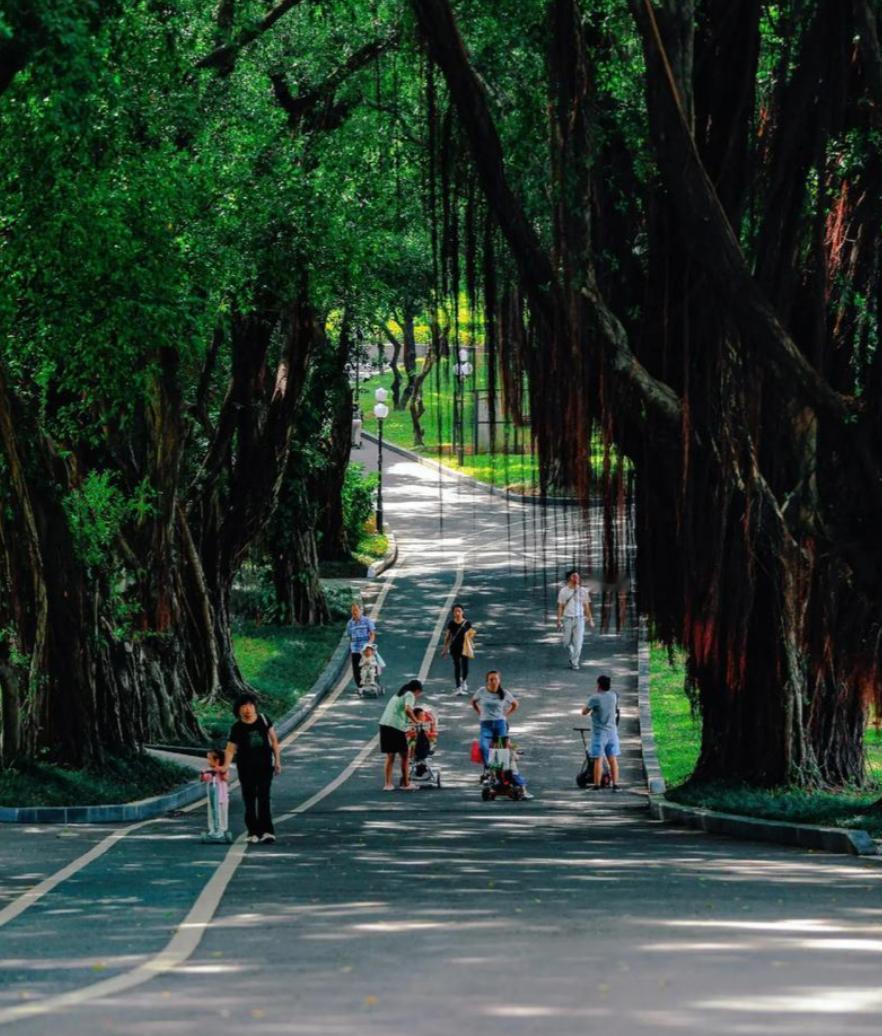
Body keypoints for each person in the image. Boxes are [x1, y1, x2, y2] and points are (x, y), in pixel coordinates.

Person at [222, 692, 282, 843]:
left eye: (250, 705)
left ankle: (267, 831)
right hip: (246, 768)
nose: (247, 709)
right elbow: (230, 749)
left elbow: (274, 741)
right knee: (249, 799)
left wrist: (277, 761)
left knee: (264, 797)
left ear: (255, 707)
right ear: (238, 710)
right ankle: (253, 832)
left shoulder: (263, 719)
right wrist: (225, 767)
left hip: (265, 766)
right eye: (244, 706)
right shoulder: (236, 728)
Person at [471, 670, 518, 775]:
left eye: (495, 679)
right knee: (483, 746)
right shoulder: (481, 691)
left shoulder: (504, 693)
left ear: (499, 680)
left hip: (499, 724)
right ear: (487, 681)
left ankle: (498, 772)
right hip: (486, 724)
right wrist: (480, 712)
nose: (493, 681)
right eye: (490, 679)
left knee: (500, 748)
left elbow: (515, 704)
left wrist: (506, 715)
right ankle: (488, 768)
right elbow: (473, 702)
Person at [379, 679, 423, 790]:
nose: (417, 696)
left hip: (384, 724)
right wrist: (416, 721)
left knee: (390, 756)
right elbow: (408, 709)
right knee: (404, 755)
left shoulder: (398, 695)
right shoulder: (410, 695)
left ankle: (388, 784)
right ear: (417, 690)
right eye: (418, 693)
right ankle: (406, 784)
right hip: (395, 726)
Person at [581, 674, 620, 791]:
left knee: (598, 758)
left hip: (599, 733)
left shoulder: (595, 698)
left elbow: (584, 712)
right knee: (612, 759)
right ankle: (615, 784)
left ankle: (597, 784)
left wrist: (587, 704)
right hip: (612, 732)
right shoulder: (613, 696)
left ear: (598, 685)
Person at [556, 569, 595, 670]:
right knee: (566, 642)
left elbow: (586, 606)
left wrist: (590, 619)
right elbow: (560, 606)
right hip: (567, 619)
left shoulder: (583, 591)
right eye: (574, 576)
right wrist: (559, 620)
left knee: (578, 643)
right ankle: (572, 654)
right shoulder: (563, 591)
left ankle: (575, 662)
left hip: (580, 619)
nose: (577, 578)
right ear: (570, 578)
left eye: (578, 576)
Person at [441, 603, 475, 695]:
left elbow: (471, 634)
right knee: (457, 666)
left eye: (459, 611)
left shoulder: (467, 623)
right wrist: (445, 649)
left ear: (462, 612)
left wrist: (470, 639)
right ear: (453, 613)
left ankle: (464, 680)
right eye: (455, 611)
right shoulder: (451, 623)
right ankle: (458, 687)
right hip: (454, 648)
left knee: (465, 667)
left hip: (464, 648)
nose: (457, 613)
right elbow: (448, 636)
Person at [200, 749, 230, 841]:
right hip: (212, 798)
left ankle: (221, 830)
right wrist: (202, 773)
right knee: (212, 813)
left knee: (221, 814)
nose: (208, 761)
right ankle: (212, 830)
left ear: (217, 760)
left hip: (222, 798)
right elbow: (203, 779)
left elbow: (226, 778)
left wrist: (220, 770)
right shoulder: (209, 771)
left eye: (209, 759)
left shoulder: (223, 770)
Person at [346, 602, 376, 687]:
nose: (354, 612)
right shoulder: (349, 623)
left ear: (360, 610)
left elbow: (372, 634)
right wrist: (353, 645)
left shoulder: (367, 620)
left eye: (356, 610)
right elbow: (350, 636)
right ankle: (360, 687)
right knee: (356, 669)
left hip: (366, 649)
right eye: (352, 610)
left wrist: (369, 645)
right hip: (355, 649)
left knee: (371, 665)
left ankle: (373, 681)